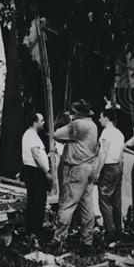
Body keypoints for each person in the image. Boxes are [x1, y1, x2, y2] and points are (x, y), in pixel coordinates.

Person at [52, 99, 99, 248]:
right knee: (87, 206)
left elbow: (56, 134)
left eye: (73, 113)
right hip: (89, 167)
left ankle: (59, 239)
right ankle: (87, 240)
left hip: (76, 168)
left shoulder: (77, 124)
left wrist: (69, 122)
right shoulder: (93, 125)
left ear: (77, 113)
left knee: (67, 204)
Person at [94, 108, 125, 243]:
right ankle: (119, 230)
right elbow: (121, 154)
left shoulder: (106, 133)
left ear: (106, 117)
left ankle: (110, 233)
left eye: (101, 117)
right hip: (118, 165)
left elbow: (103, 153)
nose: (99, 120)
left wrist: (97, 171)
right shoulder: (119, 133)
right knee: (116, 201)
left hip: (108, 166)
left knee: (105, 200)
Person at [20, 111, 50, 243]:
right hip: (35, 172)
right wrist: (46, 172)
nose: (43, 123)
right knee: (37, 201)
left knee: (38, 201)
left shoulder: (32, 135)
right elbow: (36, 155)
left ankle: (34, 230)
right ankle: (33, 231)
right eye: (42, 120)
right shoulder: (31, 135)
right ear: (35, 122)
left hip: (34, 171)